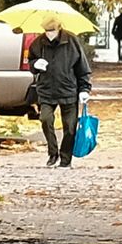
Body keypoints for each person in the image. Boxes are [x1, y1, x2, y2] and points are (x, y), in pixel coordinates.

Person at [30, 15, 93, 167]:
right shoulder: (38, 43)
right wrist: (35, 64)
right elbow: (31, 62)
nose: (48, 34)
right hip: (46, 90)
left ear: (59, 29)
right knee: (45, 119)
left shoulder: (72, 42)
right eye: (46, 31)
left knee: (70, 127)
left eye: (51, 31)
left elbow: (82, 67)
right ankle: (53, 153)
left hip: (68, 90)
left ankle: (66, 159)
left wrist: (84, 89)